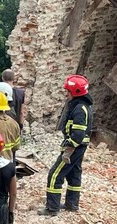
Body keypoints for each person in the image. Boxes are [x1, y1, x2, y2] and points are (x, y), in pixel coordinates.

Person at [38, 75, 93, 216]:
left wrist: (69, 148)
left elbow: (78, 134)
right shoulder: (82, 106)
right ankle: (71, 204)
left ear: (75, 93)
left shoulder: (80, 109)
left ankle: (52, 208)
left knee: (55, 175)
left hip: (74, 148)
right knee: (74, 174)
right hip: (80, 147)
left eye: (68, 92)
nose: (66, 94)